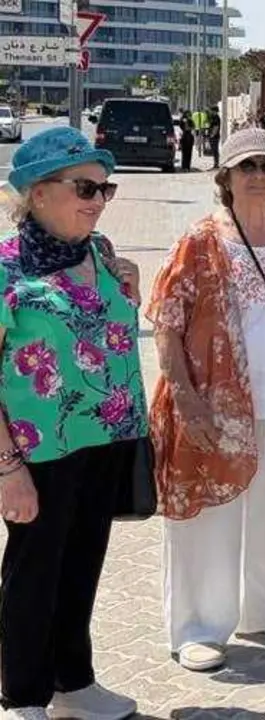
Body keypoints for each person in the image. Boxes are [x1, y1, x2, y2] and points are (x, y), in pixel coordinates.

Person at [148, 129, 265, 673]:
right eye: (245, 166)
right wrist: (186, 399)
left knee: (263, 511)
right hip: (211, 406)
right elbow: (166, 325)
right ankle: (197, 626)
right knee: (208, 515)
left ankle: (260, 609)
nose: (257, 176)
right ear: (224, 177)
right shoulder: (201, 242)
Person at [0, 128, 146, 720]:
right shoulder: (7, 270)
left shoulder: (101, 252)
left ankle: (73, 682)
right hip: (39, 449)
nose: (98, 199)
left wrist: (127, 286)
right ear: (37, 193)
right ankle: (24, 695)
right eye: (84, 186)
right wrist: (8, 469)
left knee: (83, 561)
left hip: (105, 438)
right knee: (34, 572)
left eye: (104, 188)